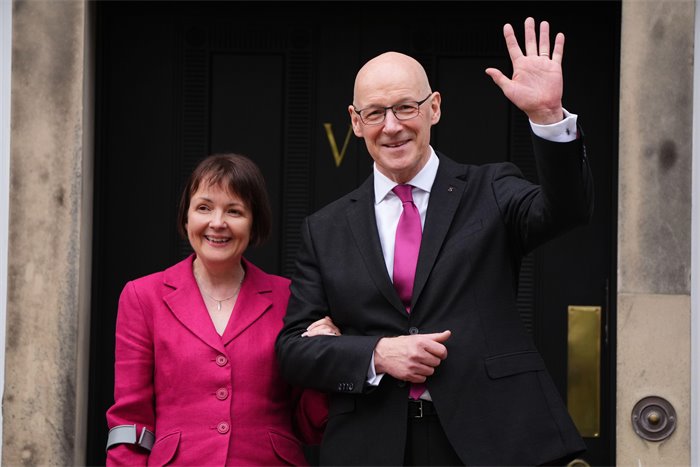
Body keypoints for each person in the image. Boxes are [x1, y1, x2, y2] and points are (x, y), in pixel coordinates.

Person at [275, 17, 591, 466]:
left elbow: (569, 211)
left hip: (493, 439)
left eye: (406, 107)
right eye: (375, 113)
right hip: (372, 445)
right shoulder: (325, 229)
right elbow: (292, 350)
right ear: (356, 121)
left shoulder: (491, 189)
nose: (392, 126)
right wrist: (376, 354)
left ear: (434, 108)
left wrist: (546, 118)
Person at [105, 153, 339, 466]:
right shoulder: (143, 296)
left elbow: (310, 424)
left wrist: (326, 359)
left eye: (234, 211)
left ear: (254, 222)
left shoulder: (289, 297)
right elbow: (130, 420)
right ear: (186, 217)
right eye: (204, 208)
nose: (217, 223)